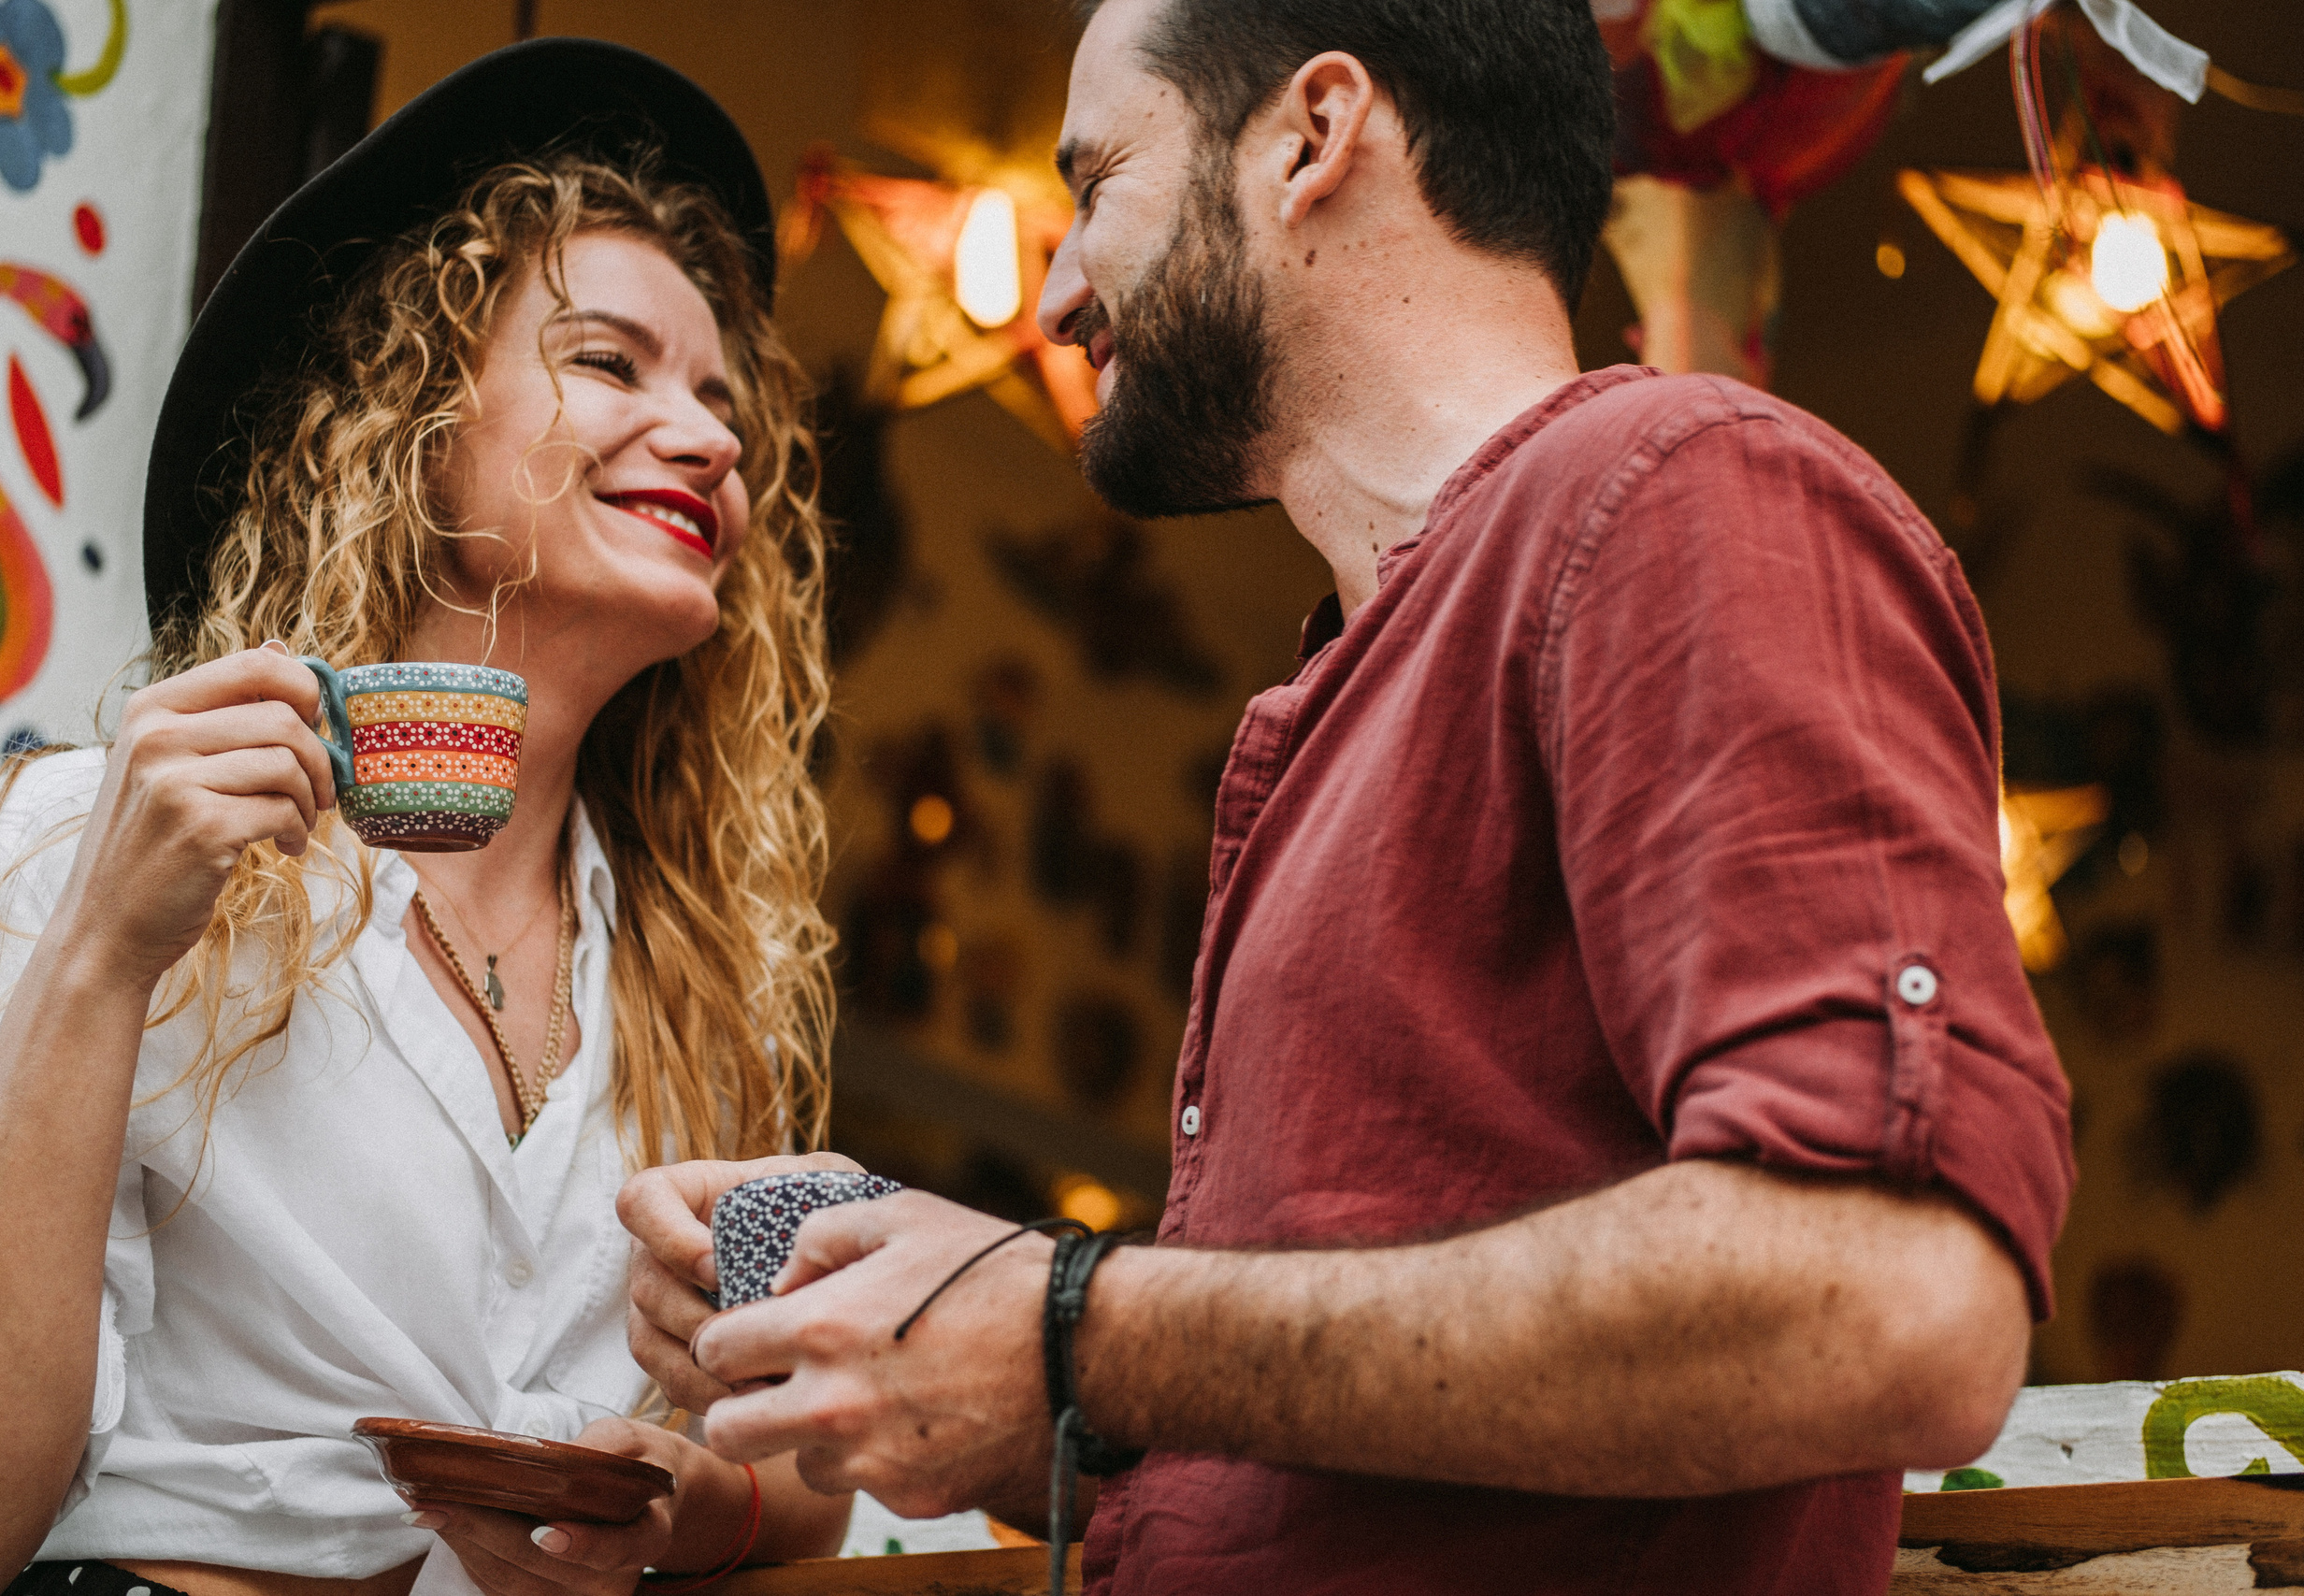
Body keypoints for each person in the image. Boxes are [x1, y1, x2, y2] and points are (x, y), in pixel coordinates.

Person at [620, 1, 2076, 1592]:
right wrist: (939, 1320)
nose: (1055, 293)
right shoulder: (1346, 689)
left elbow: (1896, 1299)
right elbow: (1340, 1467)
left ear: (1313, 136)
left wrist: (1071, 1327)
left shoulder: (1677, 496)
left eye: (1097, 185)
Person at [0, 41, 852, 1596]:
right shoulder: (87, 844)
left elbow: (808, 1472)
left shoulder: (692, 985)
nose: (714, 438)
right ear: (416, 416)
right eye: (611, 363)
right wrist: (102, 951)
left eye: (720, 399)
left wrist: (696, 1511)